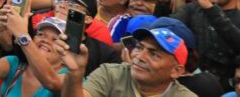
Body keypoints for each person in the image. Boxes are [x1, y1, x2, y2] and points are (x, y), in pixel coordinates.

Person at [57, 25, 197, 97]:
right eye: (139, 47)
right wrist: (75, 72)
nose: (140, 57)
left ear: (176, 71)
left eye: (154, 54)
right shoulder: (111, 74)